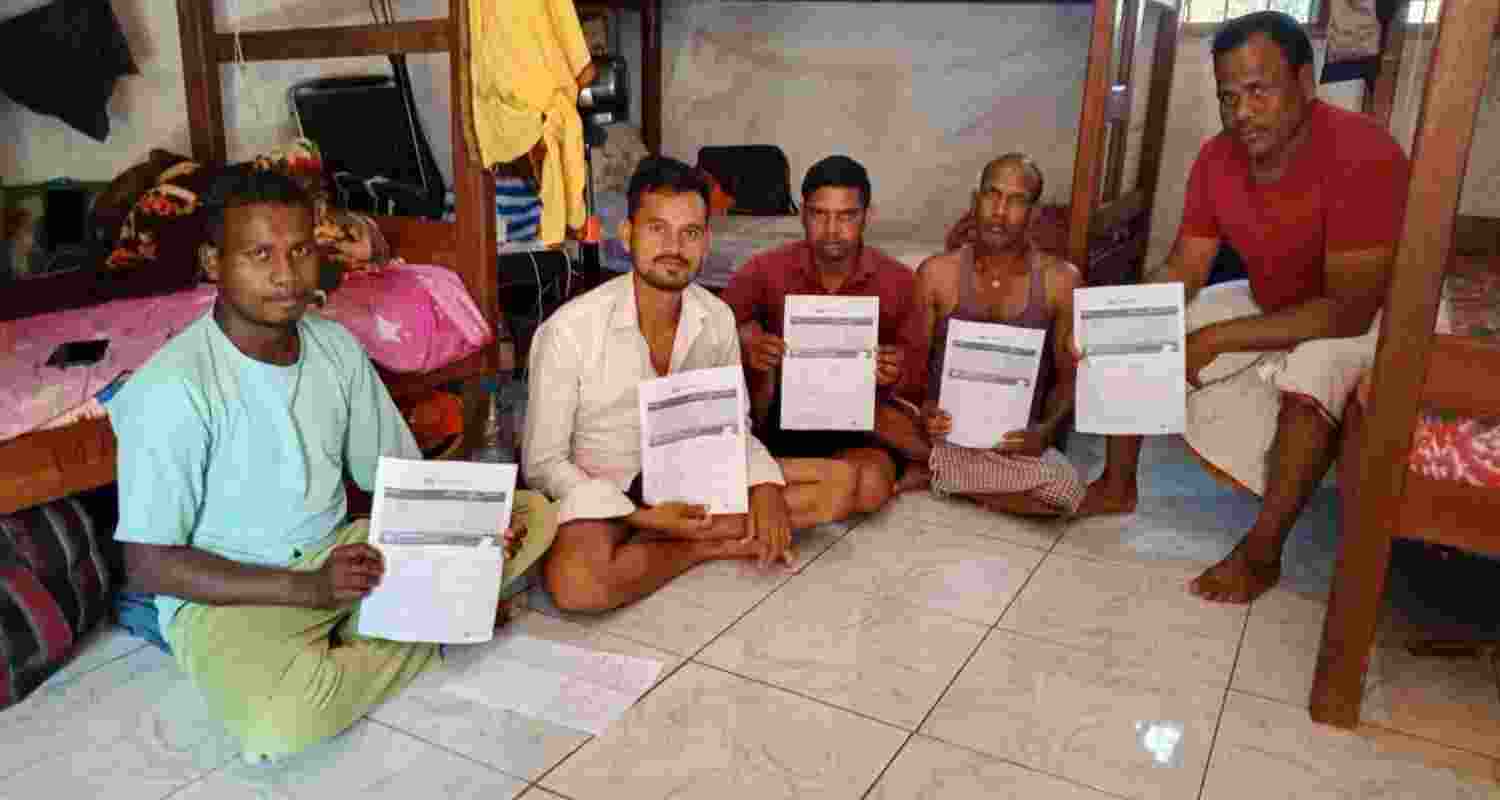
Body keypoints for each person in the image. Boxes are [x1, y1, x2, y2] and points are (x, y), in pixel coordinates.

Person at [109, 166, 552, 762]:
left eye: (299, 251)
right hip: (234, 594)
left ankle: (400, 622)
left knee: (531, 514)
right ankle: (431, 630)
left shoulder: (335, 347)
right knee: (280, 724)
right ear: (214, 263)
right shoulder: (173, 387)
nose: (285, 275)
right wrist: (307, 588)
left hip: (343, 556)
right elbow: (149, 563)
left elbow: (398, 479)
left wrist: (468, 526)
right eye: (258, 254)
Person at [1076, 10, 1411, 603]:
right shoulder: (1217, 157)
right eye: (1228, 96)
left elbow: (1348, 313)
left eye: (1259, 90)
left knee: (1313, 374)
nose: (1241, 112)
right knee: (1140, 321)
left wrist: (1216, 339)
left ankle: (1262, 552)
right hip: (1272, 295)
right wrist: (1116, 318)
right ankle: (1118, 483)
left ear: (1305, 83)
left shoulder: (1366, 154)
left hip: (1365, 312)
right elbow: (1184, 268)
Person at [526, 156, 828, 615]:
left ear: (706, 240)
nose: (674, 247)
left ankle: (683, 537)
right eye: (657, 229)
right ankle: (704, 545)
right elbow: (543, 463)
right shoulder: (569, 331)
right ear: (627, 234)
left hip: (696, 479)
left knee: (843, 486)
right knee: (578, 585)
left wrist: (765, 487)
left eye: (689, 233)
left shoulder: (716, 317)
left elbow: (735, 425)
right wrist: (637, 514)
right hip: (610, 495)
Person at [721, 155, 929, 515]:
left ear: (867, 215)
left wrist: (894, 373)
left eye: (847, 215)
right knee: (860, 486)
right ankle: (798, 481)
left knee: (870, 488)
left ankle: (780, 484)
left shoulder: (898, 281)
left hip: (863, 423)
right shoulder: (764, 270)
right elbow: (718, 332)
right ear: (803, 214)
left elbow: (916, 370)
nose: (832, 229)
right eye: (820, 214)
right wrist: (749, 343)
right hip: (784, 419)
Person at [915, 154, 1086, 515]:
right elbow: (915, 367)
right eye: (992, 196)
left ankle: (934, 473)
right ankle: (953, 472)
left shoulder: (1061, 280)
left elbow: (1069, 379)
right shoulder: (936, 273)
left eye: (1017, 201)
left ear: (1034, 214)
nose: (1000, 210)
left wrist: (1044, 430)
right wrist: (926, 411)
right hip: (942, 434)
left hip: (1011, 442)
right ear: (975, 200)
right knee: (879, 417)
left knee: (1066, 490)